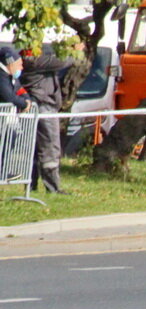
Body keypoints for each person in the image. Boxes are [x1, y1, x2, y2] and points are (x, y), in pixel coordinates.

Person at [19, 43, 82, 195]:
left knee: (33, 148)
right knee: (50, 147)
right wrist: (74, 51)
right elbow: (62, 62)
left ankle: (31, 186)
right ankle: (53, 188)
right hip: (43, 106)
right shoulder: (33, 61)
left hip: (36, 107)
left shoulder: (30, 60)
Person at [0, 46, 28, 111]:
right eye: (19, 65)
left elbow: (19, 88)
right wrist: (24, 104)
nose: (21, 68)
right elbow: (9, 96)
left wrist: (27, 99)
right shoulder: (1, 77)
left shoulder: (11, 76)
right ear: (11, 64)